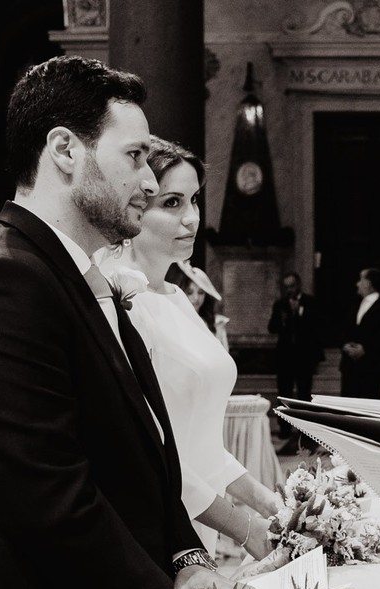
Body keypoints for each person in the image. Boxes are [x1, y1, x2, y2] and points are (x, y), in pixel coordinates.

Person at [0, 56, 265, 589]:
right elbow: (51, 500)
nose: (151, 183)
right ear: (65, 150)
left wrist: (186, 563)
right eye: (134, 157)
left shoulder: (77, 277)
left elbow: (146, 453)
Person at [98, 136, 281, 558]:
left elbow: (199, 444)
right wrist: (244, 526)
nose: (193, 219)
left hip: (202, 512)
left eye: (194, 200)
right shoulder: (122, 304)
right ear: (133, 207)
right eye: (172, 203)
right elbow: (146, 452)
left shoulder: (177, 297)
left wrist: (266, 501)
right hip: (154, 521)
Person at [268, 271, 323, 444]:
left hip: (304, 356)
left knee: (304, 394)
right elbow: (272, 327)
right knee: (284, 393)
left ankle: (305, 431)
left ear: (298, 285)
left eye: (291, 286)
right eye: (286, 287)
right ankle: (285, 428)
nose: (289, 290)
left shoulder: (310, 302)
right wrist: (284, 320)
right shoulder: (280, 304)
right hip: (285, 356)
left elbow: (317, 327)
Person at [340, 267, 380, 399]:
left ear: (369, 283)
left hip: (372, 366)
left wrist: (365, 349)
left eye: (361, 280)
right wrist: (345, 345)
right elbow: (344, 328)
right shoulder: (354, 304)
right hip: (350, 366)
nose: (357, 284)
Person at [170, 260, 231, 350]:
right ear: (183, 292)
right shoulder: (175, 321)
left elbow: (225, 356)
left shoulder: (217, 324)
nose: (196, 298)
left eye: (201, 292)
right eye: (190, 292)